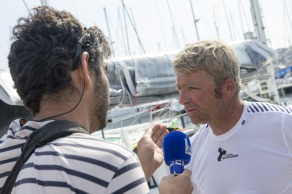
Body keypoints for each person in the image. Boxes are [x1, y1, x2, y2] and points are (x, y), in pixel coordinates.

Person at [0, 5, 193, 194]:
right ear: (84, 68)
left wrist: (137, 172)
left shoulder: (6, 157)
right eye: (104, 70)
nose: (107, 83)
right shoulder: (113, 164)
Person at [173, 39, 292, 193]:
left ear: (228, 87)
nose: (182, 100)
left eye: (192, 88)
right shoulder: (193, 149)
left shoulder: (283, 124)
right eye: (180, 88)